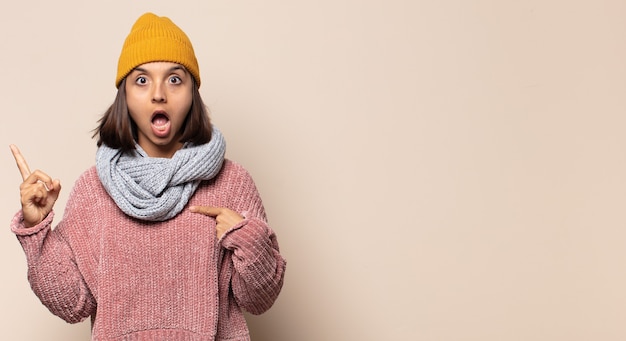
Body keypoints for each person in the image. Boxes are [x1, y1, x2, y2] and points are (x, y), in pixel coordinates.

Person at [9, 12, 286, 341]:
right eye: (141, 80)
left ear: (192, 94)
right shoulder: (93, 189)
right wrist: (35, 230)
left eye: (174, 79)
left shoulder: (232, 182)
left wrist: (247, 238)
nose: (158, 94)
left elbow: (259, 299)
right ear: (124, 95)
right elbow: (71, 303)